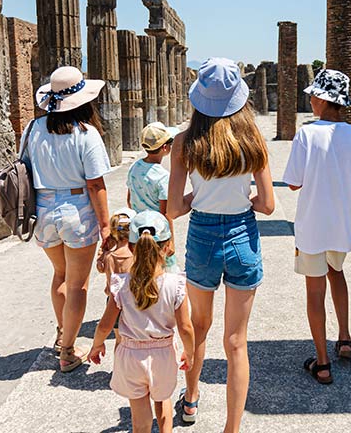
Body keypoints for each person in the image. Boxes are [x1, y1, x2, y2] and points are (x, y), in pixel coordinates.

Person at [166, 57, 274, 432]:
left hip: (202, 238)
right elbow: (268, 204)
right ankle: (232, 428)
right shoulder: (253, 139)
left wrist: (201, 194)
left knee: (198, 327)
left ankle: (192, 400)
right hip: (242, 235)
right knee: (236, 343)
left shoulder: (184, 142)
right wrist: (243, 199)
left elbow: (176, 208)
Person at [282, 68, 351, 384]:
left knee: (314, 289)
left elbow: (292, 184)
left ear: (321, 98)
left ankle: (321, 362)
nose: (309, 98)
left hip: (312, 224)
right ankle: (345, 338)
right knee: (337, 273)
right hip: (343, 223)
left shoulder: (306, 134)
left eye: (312, 94)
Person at [23, 66, 112, 373]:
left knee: (60, 274)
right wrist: (106, 226)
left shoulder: (33, 128)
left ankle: (64, 333)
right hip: (77, 210)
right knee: (78, 285)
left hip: (44, 207)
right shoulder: (86, 134)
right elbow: (95, 185)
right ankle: (68, 352)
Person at [89, 211, 195, 433]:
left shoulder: (121, 284)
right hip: (163, 355)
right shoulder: (175, 284)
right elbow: (185, 327)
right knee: (163, 401)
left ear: (130, 246)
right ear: (167, 247)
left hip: (131, 356)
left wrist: (97, 344)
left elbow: (106, 324)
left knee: (140, 415)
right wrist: (190, 352)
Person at [128, 122, 179, 271]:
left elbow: (129, 199)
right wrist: (171, 241)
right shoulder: (163, 176)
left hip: (138, 228)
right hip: (158, 232)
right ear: (164, 148)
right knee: (165, 270)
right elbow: (166, 213)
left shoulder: (134, 167)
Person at [97, 209, 136, 296]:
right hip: (132, 302)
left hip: (112, 301)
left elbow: (100, 268)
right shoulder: (136, 257)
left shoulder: (108, 256)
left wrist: (103, 250)